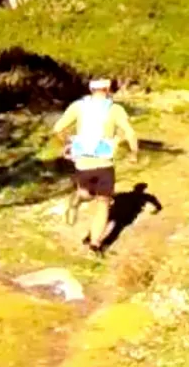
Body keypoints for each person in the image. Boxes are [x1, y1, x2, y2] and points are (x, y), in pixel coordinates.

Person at [51, 77, 139, 255]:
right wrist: (134, 153)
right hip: (104, 163)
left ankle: (93, 239)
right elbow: (130, 132)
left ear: (91, 89)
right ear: (108, 89)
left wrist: (68, 143)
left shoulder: (78, 106)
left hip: (83, 163)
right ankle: (94, 242)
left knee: (93, 196)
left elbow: (57, 128)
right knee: (102, 202)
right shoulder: (115, 109)